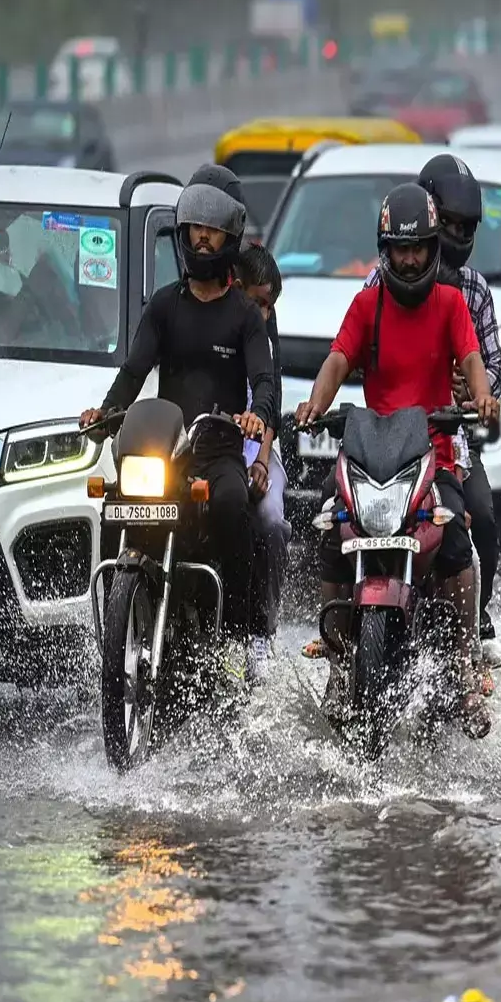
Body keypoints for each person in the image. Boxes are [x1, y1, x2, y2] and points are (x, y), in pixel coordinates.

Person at [296, 182, 499, 737]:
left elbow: (473, 358)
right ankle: (339, 664)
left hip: (432, 455)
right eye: (399, 248)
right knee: (330, 530)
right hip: (369, 453)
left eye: (419, 248)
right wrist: (316, 402)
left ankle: (459, 672)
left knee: (457, 535)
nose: (409, 259)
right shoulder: (367, 304)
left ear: (434, 249)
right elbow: (338, 359)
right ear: (384, 249)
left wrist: (480, 398)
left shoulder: (453, 303)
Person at [80, 172, 274, 684]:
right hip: (167, 448)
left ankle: (236, 636)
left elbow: (265, 381)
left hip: (219, 450)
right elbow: (134, 370)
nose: (202, 238)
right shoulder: (165, 304)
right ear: (184, 235)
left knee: (233, 503)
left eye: (211, 230)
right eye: (194, 229)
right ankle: (113, 624)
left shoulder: (245, 316)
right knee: (113, 500)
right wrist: (105, 413)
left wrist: (259, 415)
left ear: (228, 238)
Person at [366, 154, 501, 665]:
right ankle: (342, 641)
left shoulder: (474, 292)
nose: (456, 235)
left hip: (449, 443)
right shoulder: (374, 291)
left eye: (465, 228)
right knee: (337, 525)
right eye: (447, 225)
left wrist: (473, 394)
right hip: (386, 443)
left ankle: (469, 631)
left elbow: (489, 368)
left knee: (483, 519)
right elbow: (349, 353)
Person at [233, 241, 291, 680]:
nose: (265, 314)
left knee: (269, 517)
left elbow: (270, 406)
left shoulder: (264, 337)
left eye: (270, 306)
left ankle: (260, 631)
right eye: (258, 303)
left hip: (257, 451)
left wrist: (262, 460)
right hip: (211, 449)